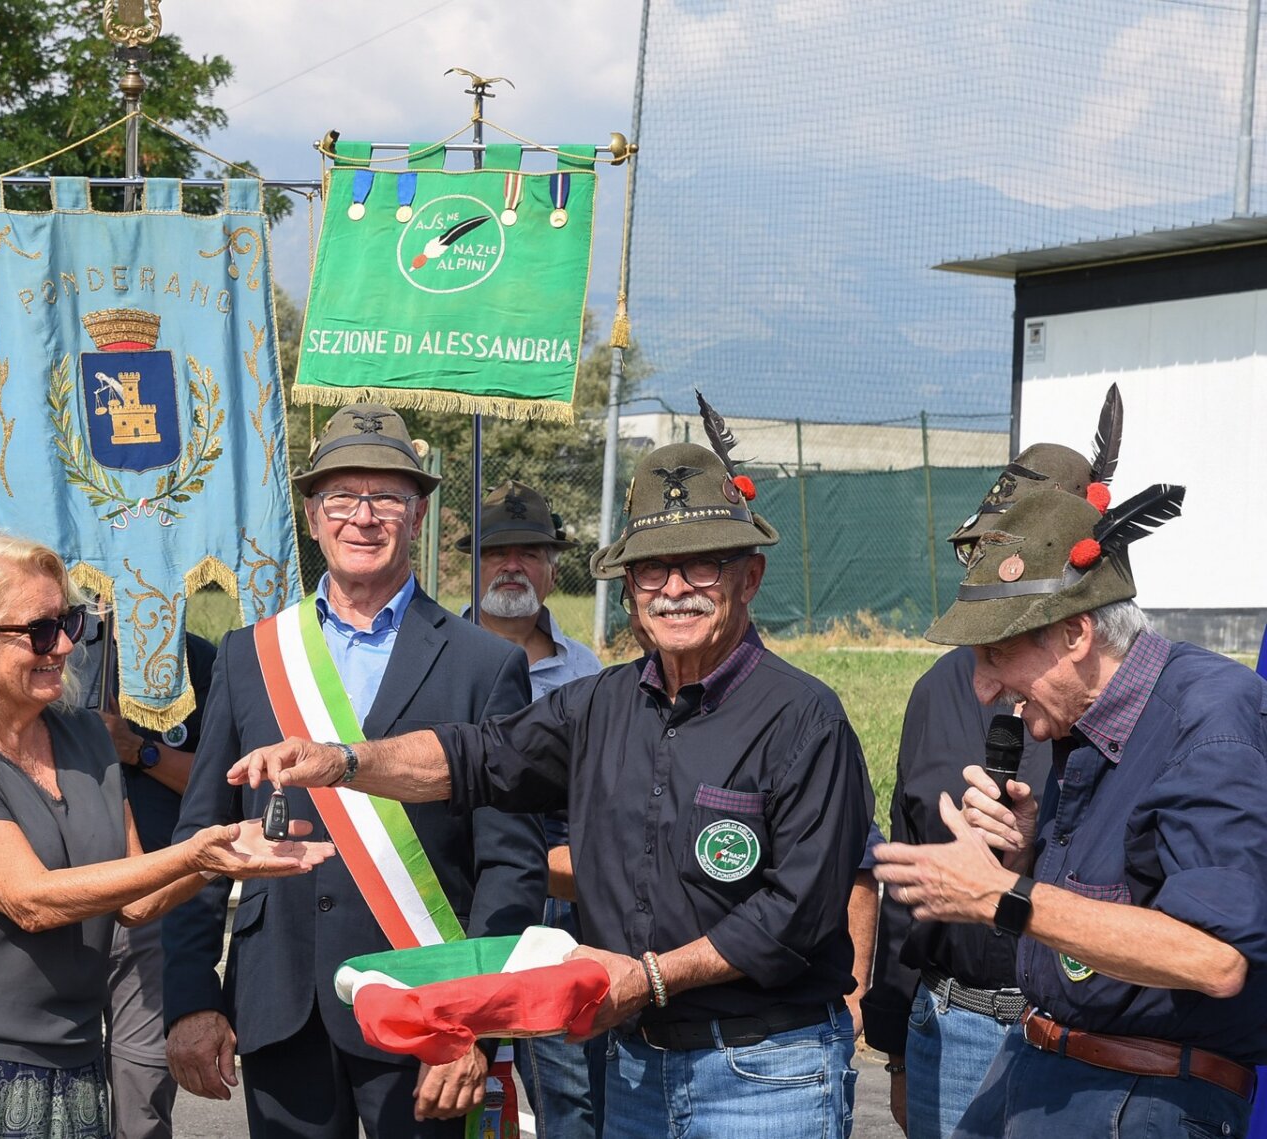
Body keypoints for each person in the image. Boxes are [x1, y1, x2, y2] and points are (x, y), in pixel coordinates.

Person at [228, 399, 873, 1139]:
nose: (674, 588)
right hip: (632, 1065)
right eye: (651, 570)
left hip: (761, 1072)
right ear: (627, 590)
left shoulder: (804, 717)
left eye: (700, 564)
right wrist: (344, 759)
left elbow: (796, 914)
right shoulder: (597, 705)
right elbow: (473, 758)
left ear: (748, 577)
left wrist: (652, 976)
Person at [0, 532, 333, 1139]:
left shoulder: (85, 737)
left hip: (69, 1067)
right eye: (41, 630)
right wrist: (190, 852)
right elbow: (31, 899)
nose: (68, 644)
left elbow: (133, 901)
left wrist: (219, 861)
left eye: (70, 620)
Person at [163, 403, 545, 1139]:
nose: (362, 517)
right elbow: (200, 843)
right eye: (342, 497)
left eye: (386, 498)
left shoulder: (485, 664)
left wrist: (474, 1021)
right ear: (311, 515)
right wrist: (191, 998)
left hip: (430, 1016)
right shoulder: (251, 655)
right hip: (283, 1009)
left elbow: (511, 864)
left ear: (419, 513)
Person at [876, 481, 1267, 1137]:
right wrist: (1028, 851)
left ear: (1076, 633)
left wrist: (1004, 895)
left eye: (998, 654)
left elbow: (1216, 957)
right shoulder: (1087, 722)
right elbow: (1124, 899)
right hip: (1042, 1069)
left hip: (1139, 1098)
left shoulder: (1209, 722)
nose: (983, 684)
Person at [863, 424, 1122, 1136]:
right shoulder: (936, 691)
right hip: (948, 1027)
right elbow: (906, 876)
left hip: (1071, 1038)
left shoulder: (1126, 706)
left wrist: (1029, 855)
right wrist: (895, 1041)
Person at [458, 479, 605, 1139]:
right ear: (472, 563)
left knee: (570, 1099)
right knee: (453, 1087)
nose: (512, 565)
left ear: (551, 568)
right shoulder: (438, 662)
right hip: (456, 905)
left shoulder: (590, 676)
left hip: (559, 916)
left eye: (530, 552)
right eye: (497, 551)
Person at [70, 616, 217, 1139]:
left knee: (142, 1085)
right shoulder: (54, 652)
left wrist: (141, 751)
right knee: (60, 1085)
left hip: (155, 900)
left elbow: (220, 785)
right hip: (64, 901)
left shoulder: (196, 660)